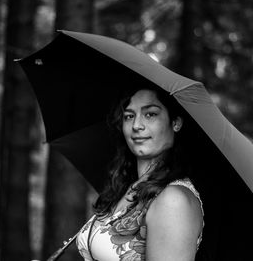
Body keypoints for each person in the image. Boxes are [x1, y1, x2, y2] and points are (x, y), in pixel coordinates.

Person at [75, 86, 204, 261]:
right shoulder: (125, 187)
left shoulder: (173, 201)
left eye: (150, 114)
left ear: (175, 122)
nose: (136, 125)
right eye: (129, 116)